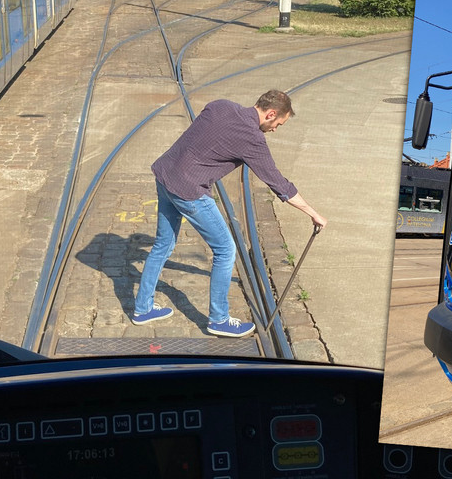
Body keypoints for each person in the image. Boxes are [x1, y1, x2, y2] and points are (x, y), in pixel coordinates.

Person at [132, 90, 328, 338]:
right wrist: (313, 213)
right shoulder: (252, 139)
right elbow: (279, 184)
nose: (276, 129)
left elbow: (201, 140)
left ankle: (143, 308)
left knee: (162, 244)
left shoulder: (220, 106)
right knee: (225, 249)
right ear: (270, 114)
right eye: (278, 124)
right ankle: (219, 319)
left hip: (165, 175)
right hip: (189, 191)